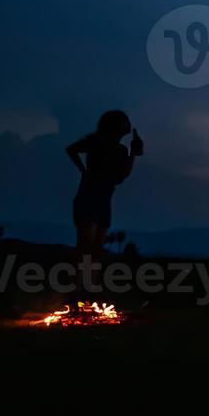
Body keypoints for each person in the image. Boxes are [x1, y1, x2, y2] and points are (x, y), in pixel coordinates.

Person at [65, 111, 142, 297]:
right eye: (124, 122)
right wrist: (83, 169)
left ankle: (90, 289)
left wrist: (132, 153)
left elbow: (122, 175)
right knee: (86, 246)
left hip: (103, 199)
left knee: (95, 248)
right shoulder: (96, 141)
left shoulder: (119, 150)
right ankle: (76, 289)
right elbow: (72, 149)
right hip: (89, 197)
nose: (128, 125)